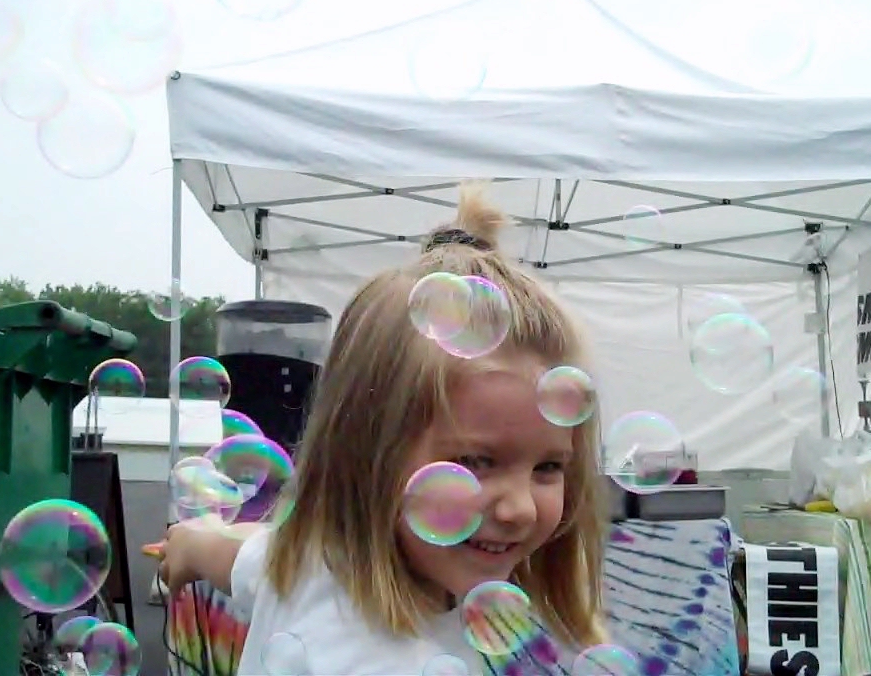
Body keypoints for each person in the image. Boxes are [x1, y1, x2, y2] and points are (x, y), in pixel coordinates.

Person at [152, 181, 608, 675]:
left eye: (548, 467)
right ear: (366, 453)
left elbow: (237, 556)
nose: (520, 508)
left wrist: (190, 545)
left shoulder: (310, 565)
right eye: (475, 462)